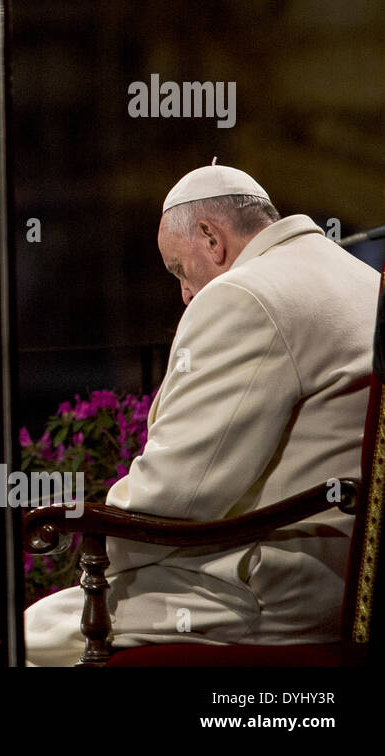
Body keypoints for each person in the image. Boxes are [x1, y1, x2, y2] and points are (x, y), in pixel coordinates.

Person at [24, 161, 380, 666]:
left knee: (21, 638)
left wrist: (97, 536)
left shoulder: (244, 295)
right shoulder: (358, 276)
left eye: (179, 270)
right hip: (348, 576)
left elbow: (178, 492)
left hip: (266, 587)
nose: (186, 294)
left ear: (211, 238)